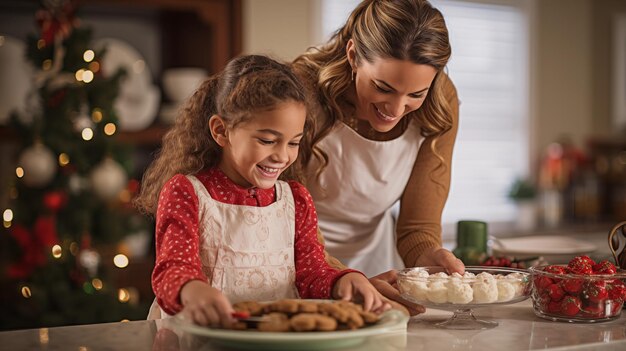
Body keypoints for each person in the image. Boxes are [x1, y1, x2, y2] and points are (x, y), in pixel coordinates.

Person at [134, 55, 389, 327]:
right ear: (221, 131)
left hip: (274, 339)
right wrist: (191, 290)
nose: (282, 156)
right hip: (198, 339)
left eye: (293, 143)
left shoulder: (296, 199)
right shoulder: (187, 191)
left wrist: (344, 280)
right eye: (268, 140)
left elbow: (311, 273)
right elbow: (173, 269)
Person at [292, 0, 465, 312]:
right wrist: (338, 277)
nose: (395, 110)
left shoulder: (439, 101)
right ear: (353, 55)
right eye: (383, 87)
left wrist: (427, 255)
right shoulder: (300, 90)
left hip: (376, 266)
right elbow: (275, 215)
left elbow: (417, 227)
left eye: (415, 94)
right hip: (294, 263)